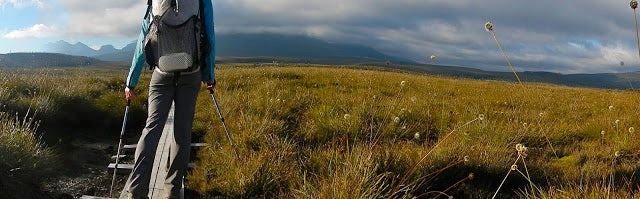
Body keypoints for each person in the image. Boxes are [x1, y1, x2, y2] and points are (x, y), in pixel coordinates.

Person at [124, 0, 215, 198]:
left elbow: (143, 40)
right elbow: (209, 36)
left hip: (161, 72)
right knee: (181, 133)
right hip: (191, 72)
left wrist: (131, 82)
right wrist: (209, 75)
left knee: (151, 129)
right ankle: (172, 192)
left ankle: (136, 192)